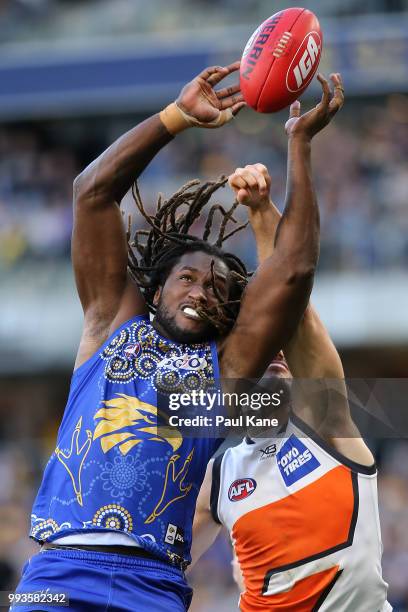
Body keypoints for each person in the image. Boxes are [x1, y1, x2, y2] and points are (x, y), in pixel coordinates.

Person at [13, 63, 343, 612]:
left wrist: (299, 147)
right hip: (58, 573)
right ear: (156, 289)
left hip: (155, 586)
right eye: (187, 278)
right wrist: (175, 118)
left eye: (216, 287)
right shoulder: (110, 325)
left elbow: (292, 271)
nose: (200, 291)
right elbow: (91, 194)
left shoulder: (228, 366)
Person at [191, 162, 391, 611]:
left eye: (279, 343)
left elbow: (295, 303)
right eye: (262, 346)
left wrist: (262, 213)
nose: (276, 350)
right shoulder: (218, 476)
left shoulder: (326, 424)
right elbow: (161, 571)